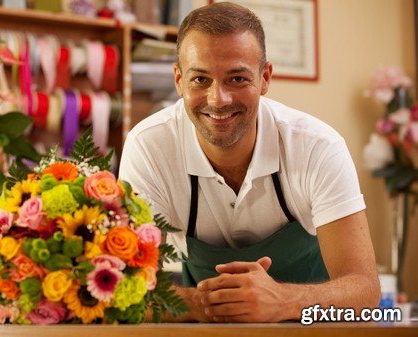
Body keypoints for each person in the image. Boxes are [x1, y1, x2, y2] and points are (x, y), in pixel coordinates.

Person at [119, 2, 380, 322]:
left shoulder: (317, 146)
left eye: (237, 79)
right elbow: (123, 288)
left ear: (265, 77)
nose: (218, 100)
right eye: (200, 79)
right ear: (178, 80)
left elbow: (365, 290)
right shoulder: (149, 147)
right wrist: (206, 303)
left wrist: (285, 301)